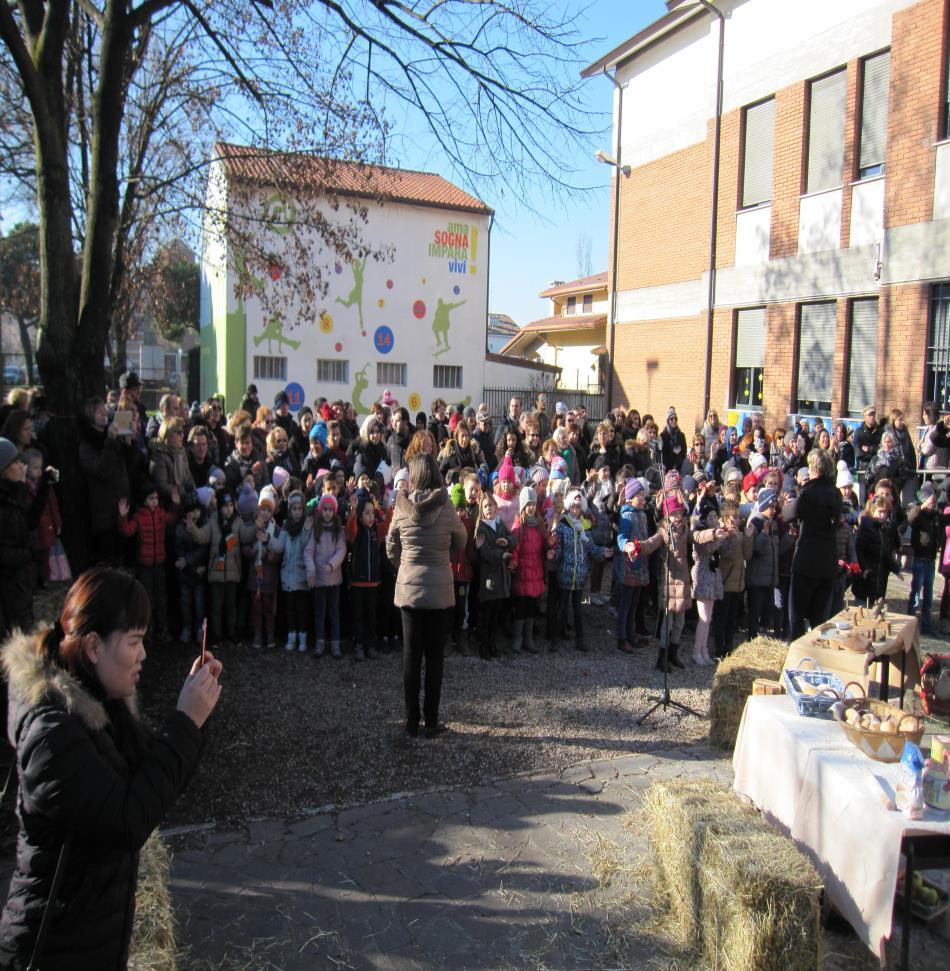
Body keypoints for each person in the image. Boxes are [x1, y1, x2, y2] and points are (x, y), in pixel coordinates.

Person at [0, 566, 221, 970]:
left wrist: (194, 714)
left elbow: (151, 774)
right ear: (93, 647)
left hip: (91, 941)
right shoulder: (53, 734)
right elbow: (127, 820)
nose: (144, 655)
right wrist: (186, 723)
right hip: (52, 951)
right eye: (134, 641)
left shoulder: (99, 704)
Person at [386, 454, 466, 738]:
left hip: (409, 589)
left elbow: (391, 545)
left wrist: (405, 568)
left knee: (410, 656)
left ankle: (410, 721)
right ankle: (431, 721)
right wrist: (443, 555)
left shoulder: (401, 506)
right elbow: (462, 539)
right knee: (434, 658)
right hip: (440, 589)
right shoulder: (446, 506)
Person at [786, 449, 843, 637]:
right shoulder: (836, 493)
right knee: (819, 618)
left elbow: (789, 514)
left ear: (815, 470)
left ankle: (797, 653)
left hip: (807, 560)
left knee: (797, 614)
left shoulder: (809, 492)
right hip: (828, 562)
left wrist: (783, 502)